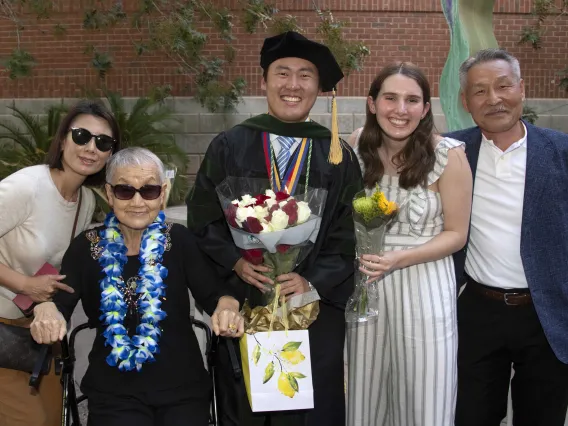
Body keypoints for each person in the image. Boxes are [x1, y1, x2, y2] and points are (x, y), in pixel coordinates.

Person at [186, 31, 363, 426]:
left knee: (309, 408)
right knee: (246, 403)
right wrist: (234, 263)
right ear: (264, 81)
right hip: (246, 299)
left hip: (311, 307)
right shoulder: (230, 145)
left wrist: (311, 280)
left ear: (320, 88)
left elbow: (349, 231)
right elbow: (203, 219)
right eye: (282, 73)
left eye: (305, 75)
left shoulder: (336, 153)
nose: (293, 85)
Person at [30, 147, 244, 426]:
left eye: (149, 190)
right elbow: (60, 302)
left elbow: (215, 295)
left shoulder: (179, 240)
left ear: (163, 192)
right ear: (109, 194)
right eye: (124, 191)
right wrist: (46, 309)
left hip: (182, 387)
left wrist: (228, 306)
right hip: (114, 391)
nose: (138, 201)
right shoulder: (87, 246)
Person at [446, 48, 568, 426]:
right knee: (471, 415)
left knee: (542, 416)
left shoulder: (561, 151)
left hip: (548, 313)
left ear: (522, 89)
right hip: (478, 311)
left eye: (503, 86)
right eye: (480, 91)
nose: (494, 99)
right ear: (465, 102)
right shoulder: (451, 152)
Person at [346, 62, 472, 426]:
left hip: (424, 284)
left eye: (412, 100)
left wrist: (401, 258)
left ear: (426, 109)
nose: (401, 110)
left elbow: (456, 233)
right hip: (367, 287)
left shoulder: (449, 155)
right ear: (372, 104)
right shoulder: (354, 146)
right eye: (390, 98)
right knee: (365, 390)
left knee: (423, 396)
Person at [0, 100, 121, 426]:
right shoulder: (25, 187)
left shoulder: (84, 201)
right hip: (2, 328)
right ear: (64, 139)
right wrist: (24, 285)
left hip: (36, 331)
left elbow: (62, 264)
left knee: (54, 418)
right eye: (81, 135)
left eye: (103, 142)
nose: (91, 148)